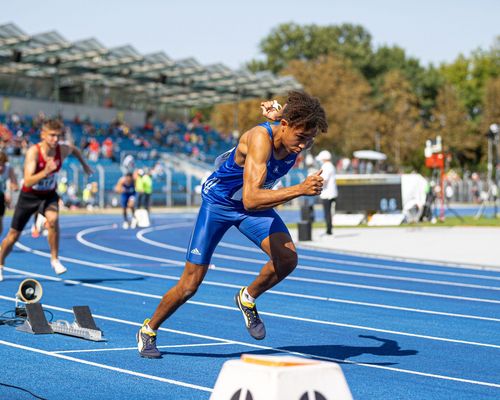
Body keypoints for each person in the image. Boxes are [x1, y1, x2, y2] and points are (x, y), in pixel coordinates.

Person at [136, 91, 328, 358]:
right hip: (220, 204)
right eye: (300, 138)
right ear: (285, 126)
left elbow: (252, 202)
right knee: (190, 285)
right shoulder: (260, 140)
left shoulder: (288, 133)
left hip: (251, 207)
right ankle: (149, 329)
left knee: (287, 259)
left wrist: (280, 116)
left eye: (310, 140)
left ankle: (247, 297)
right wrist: (300, 189)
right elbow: (251, 199)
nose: (303, 146)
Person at [0, 119, 92, 282]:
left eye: (58, 136)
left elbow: (74, 150)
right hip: (29, 196)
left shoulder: (61, 149)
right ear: (43, 135)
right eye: (52, 136)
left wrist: (84, 165)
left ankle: (54, 259)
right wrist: (46, 171)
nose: (55, 140)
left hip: (48, 194)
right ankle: (0, 264)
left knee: (54, 219)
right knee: (13, 236)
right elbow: (27, 181)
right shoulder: (33, 152)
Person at [315, 150, 337, 235]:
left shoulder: (326, 166)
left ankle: (329, 231)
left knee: (327, 213)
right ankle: (329, 230)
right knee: (329, 213)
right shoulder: (330, 166)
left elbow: (324, 180)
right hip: (330, 193)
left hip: (328, 194)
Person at [0, 151, 19, 236]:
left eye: (2, 165)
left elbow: (13, 182)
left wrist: (14, 187)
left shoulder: (9, 168)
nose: (0, 168)